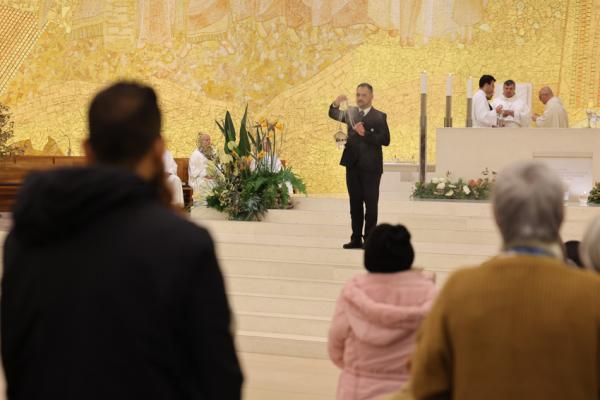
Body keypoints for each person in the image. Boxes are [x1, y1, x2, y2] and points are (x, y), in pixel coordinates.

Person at [1, 82, 243, 400]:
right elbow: (219, 379)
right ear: (157, 150)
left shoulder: (28, 234)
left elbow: (15, 355)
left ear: (88, 149)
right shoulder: (184, 245)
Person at [411, 160, 600, 400]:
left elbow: (425, 384)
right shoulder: (592, 294)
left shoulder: (458, 290)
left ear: (497, 216)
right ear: (560, 216)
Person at [328, 224, 436, 400]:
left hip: (358, 391)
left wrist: (358, 370)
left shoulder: (353, 294)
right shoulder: (429, 294)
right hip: (411, 391)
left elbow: (335, 347)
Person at [328, 83, 391, 249]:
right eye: (358, 95)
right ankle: (355, 238)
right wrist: (336, 103)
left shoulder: (379, 116)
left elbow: (386, 140)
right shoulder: (351, 112)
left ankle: (369, 240)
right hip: (352, 165)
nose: (360, 98)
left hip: (371, 168)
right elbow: (333, 113)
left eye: (363, 95)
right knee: (355, 204)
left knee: (371, 205)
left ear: (371, 97)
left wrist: (365, 134)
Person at [188, 132, 215, 200]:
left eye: (209, 140)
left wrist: (214, 174)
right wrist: (205, 175)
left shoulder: (213, 152)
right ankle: (204, 203)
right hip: (199, 178)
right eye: (206, 140)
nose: (209, 142)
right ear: (201, 142)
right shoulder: (196, 154)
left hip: (212, 176)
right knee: (206, 183)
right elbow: (193, 171)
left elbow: (217, 165)